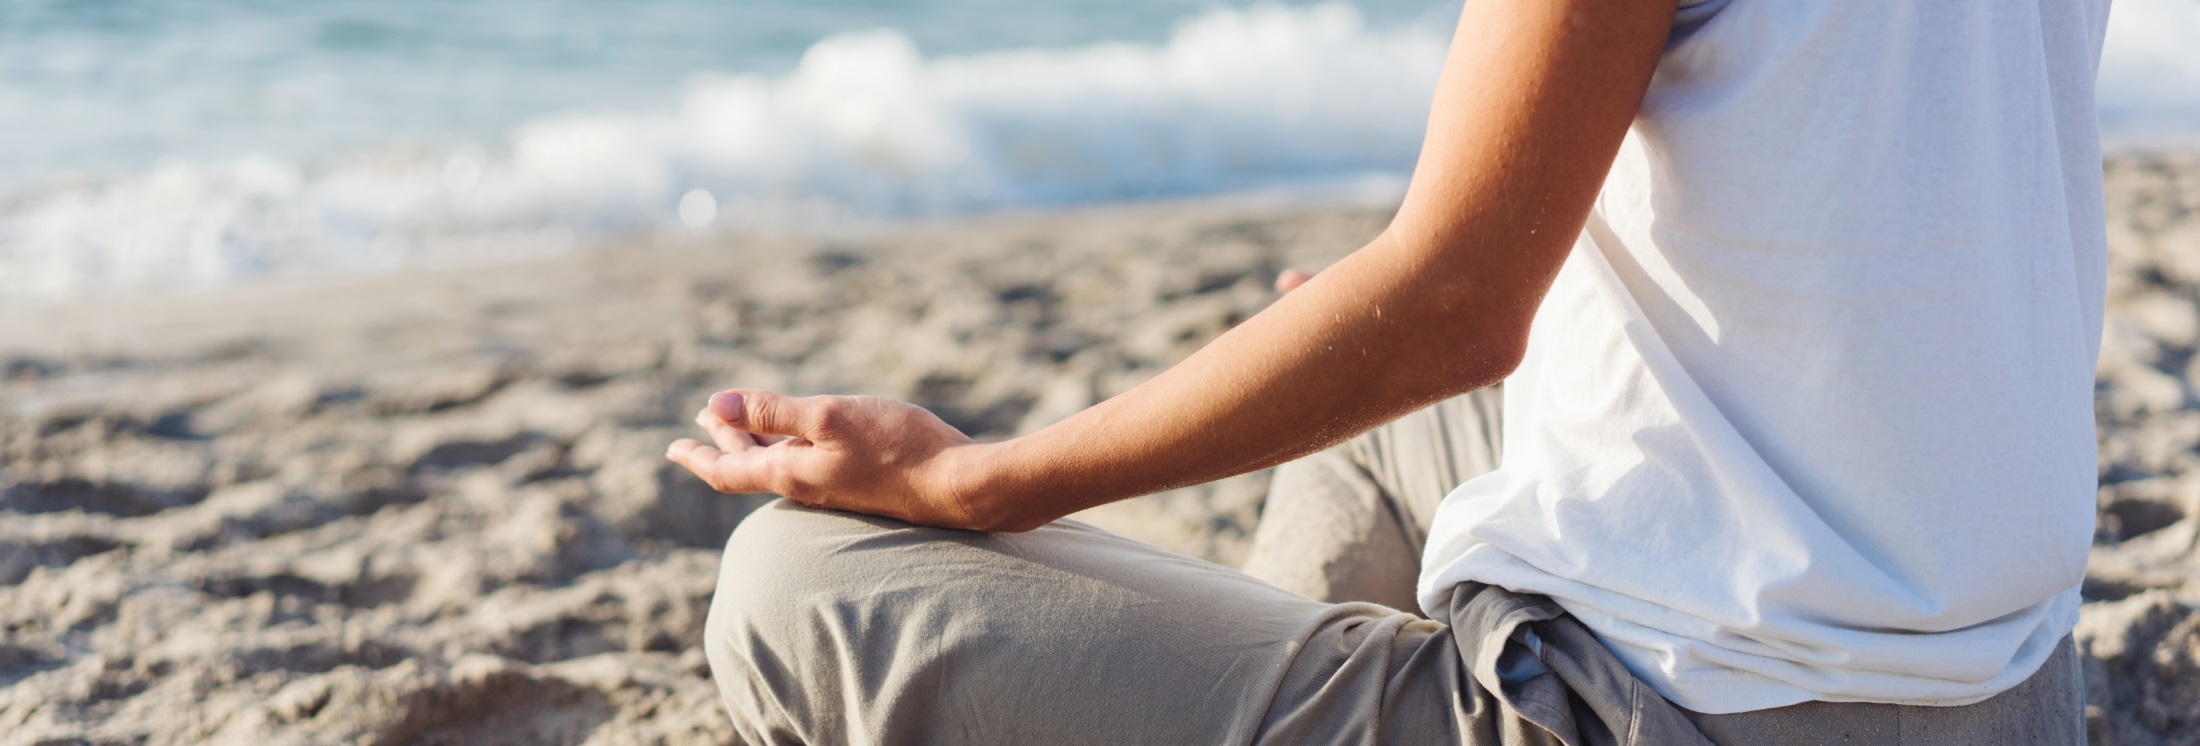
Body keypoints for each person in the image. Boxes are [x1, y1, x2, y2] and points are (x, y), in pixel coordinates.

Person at [666, 0, 2110, 741]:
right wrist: (1377, 319)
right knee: (1358, 432)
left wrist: (965, 474)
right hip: (2009, 691)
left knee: (792, 586)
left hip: (1691, 717)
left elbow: (1455, 309)